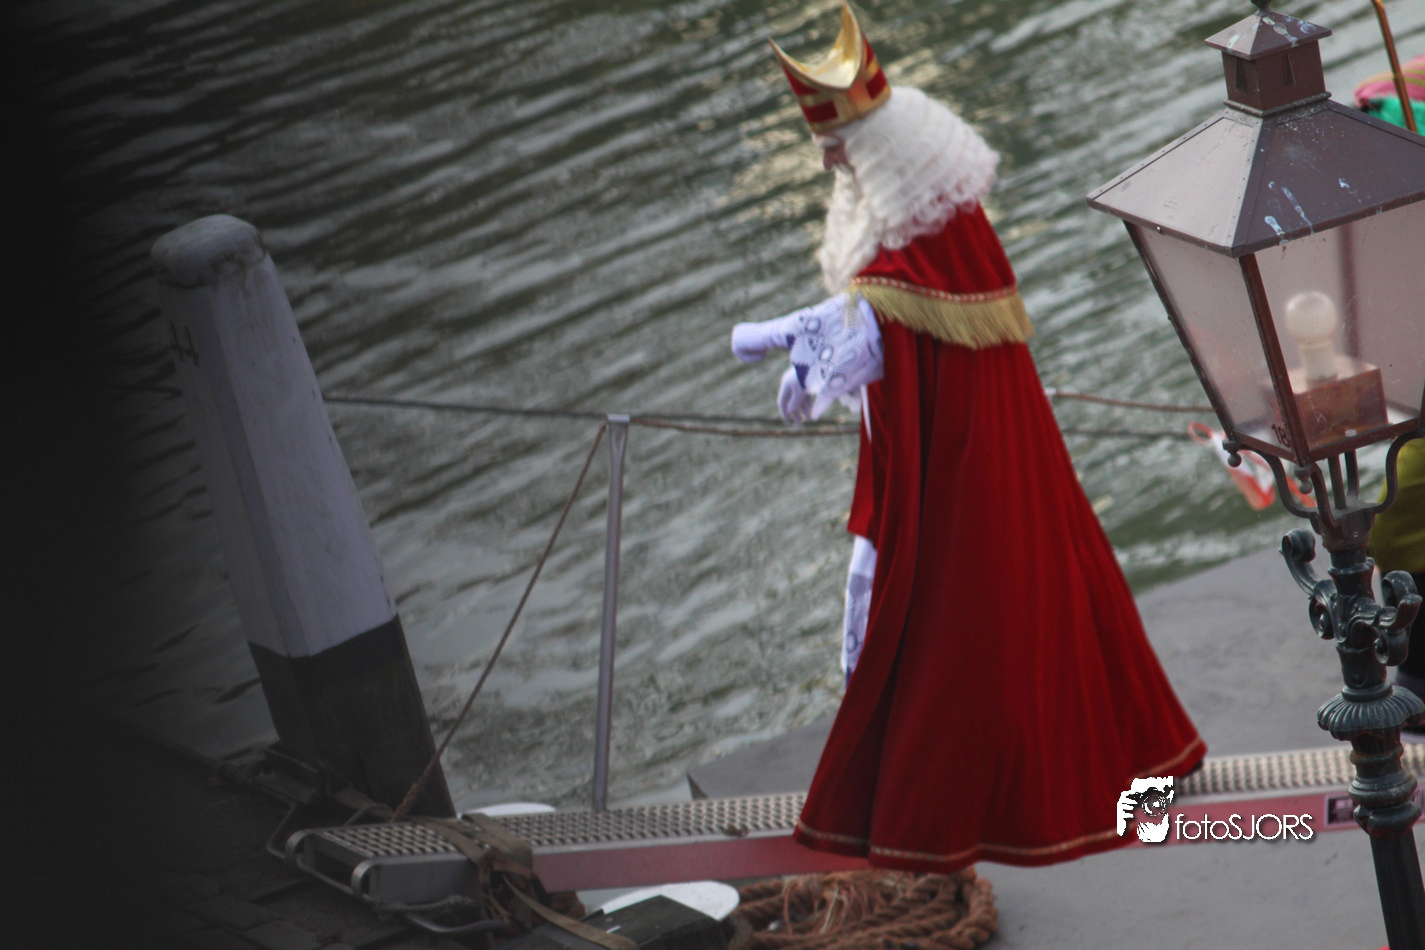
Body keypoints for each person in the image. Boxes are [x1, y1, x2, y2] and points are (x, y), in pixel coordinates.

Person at [731, 4, 1205, 874]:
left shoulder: (925, 246)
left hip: (959, 477)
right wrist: (839, 340)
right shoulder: (931, 231)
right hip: (950, 457)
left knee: (957, 633)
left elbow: (895, 309)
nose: (828, 161)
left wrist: (834, 334)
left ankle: (942, 824)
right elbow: (898, 317)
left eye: (837, 147)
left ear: (882, 153)